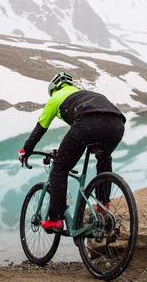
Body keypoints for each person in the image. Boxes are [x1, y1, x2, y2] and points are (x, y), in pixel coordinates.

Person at [18, 72, 126, 232]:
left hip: (88, 122)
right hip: (117, 123)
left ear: (53, 88)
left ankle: (55, 219)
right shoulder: (85, 94)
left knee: (60, 167)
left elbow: (40, 128)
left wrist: (25, 150)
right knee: (103, 158)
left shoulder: (55, 98)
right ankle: (103, 207)